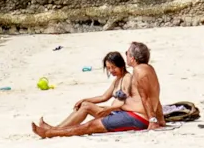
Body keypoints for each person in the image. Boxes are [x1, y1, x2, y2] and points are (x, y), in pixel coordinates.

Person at [34, 42, 164, 137]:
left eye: (127, 53)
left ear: (132, 58)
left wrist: (153, 121)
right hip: (133, 115)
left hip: (137, 117)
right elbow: (155, 96)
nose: (126, 55)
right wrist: (161, 119)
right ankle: (53, 130)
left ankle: (50, 133)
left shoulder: (138, 71)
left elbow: (146, 97)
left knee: (91, 125)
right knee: (91, 123)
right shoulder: (148, 69)